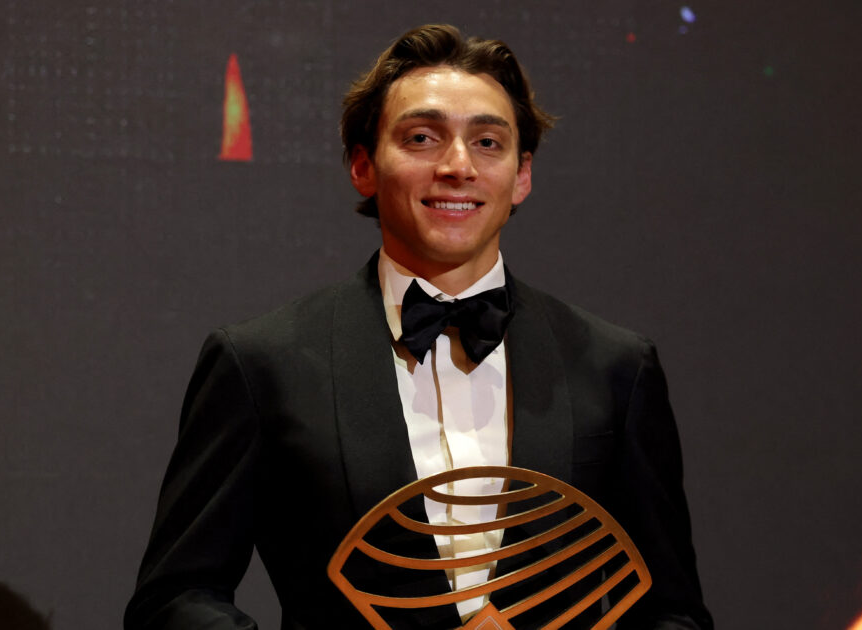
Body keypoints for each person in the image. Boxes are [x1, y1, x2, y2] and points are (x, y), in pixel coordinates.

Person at [126, 24, 713, 629]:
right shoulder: (262, 364)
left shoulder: (615, 367)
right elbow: (175, 599)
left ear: (522, 176)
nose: (458, 166)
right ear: (363, 166)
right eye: (422, 138)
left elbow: (673, 612)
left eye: (488, 142)